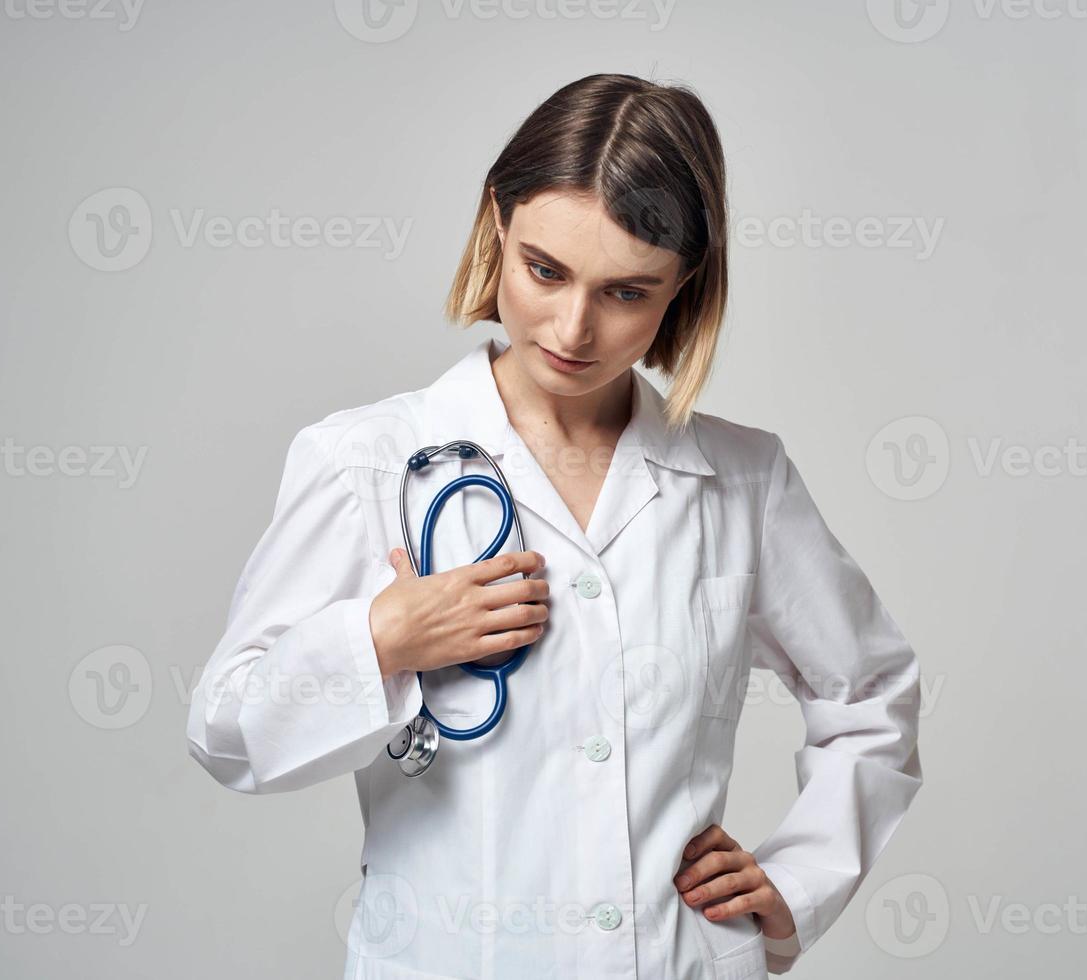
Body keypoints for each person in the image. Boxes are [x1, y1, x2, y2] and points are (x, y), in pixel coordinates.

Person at [186, 72, 922, 979]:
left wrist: (795, 885)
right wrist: (380, 639)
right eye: (545, 271)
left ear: (682, 284)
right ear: (498, 224)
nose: (574, 327)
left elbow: (871, 696)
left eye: (627, 293)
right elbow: (225, 733)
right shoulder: (367, 463)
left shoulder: (741, 479)